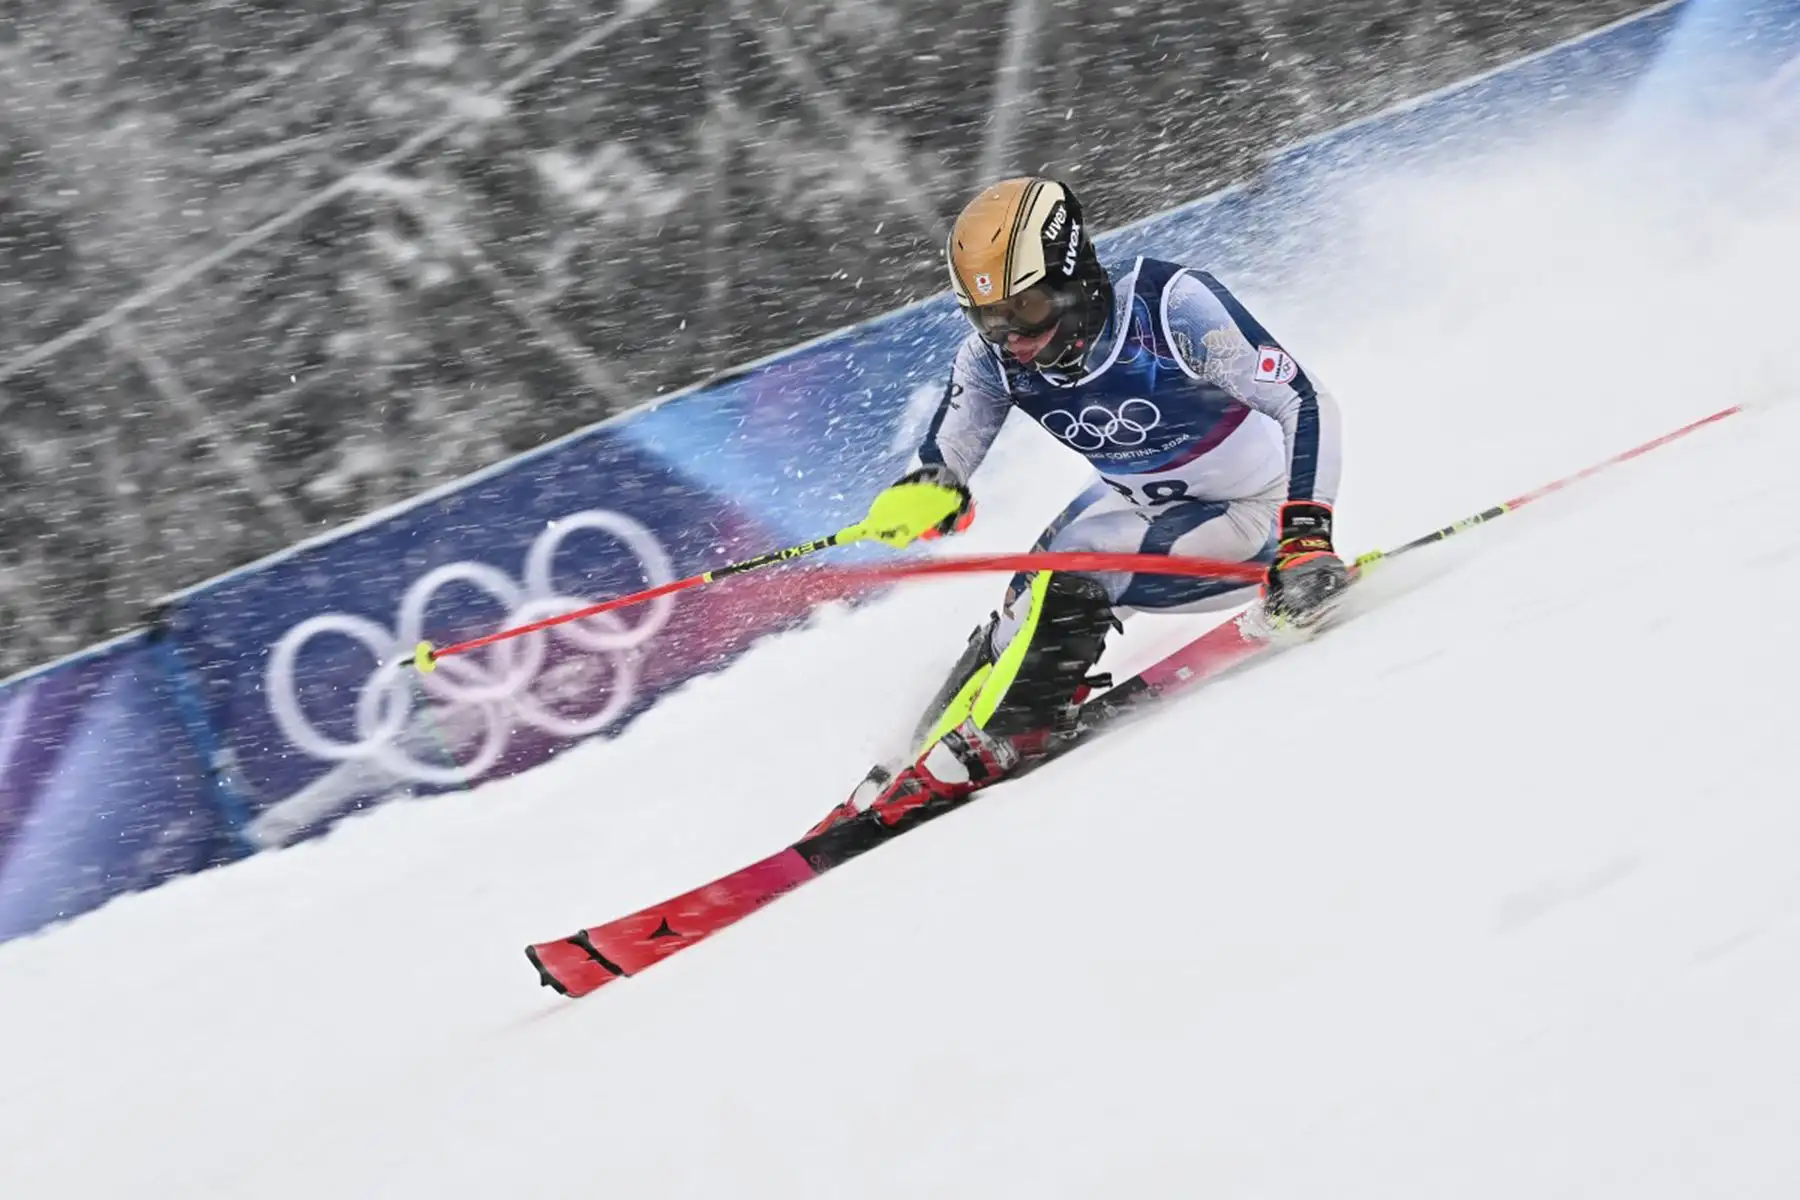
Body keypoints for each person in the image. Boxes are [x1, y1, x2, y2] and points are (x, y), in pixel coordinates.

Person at [837, 176, 1346, 818]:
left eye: (1024, 311)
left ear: (1073, 275)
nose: (1011, 337)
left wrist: (1307, 538)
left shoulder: (1169, 306)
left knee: (1078, 564)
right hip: (1137, 505)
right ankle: (908, 758)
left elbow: (1303, 399)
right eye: (986, 319)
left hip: (1255, 519)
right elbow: (947, 458)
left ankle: (1008, 731)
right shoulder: (992, 360)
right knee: (1023, 601)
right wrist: (925, 492)